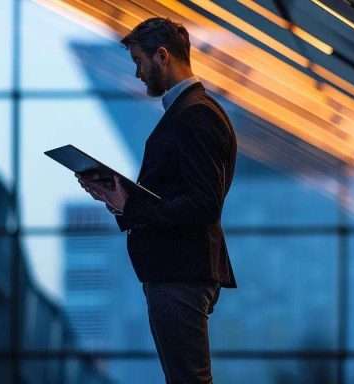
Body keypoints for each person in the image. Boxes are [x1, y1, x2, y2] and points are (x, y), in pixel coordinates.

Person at [76, 17, 237, 384]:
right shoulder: (192, 113)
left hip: (180, 272)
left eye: (139, 62)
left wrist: (132, 207)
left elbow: (203, 204)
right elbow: (186, 195)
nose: (136, 73)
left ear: (162, 56)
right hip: (178, 271)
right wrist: (120, 199)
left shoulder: (196, 116)